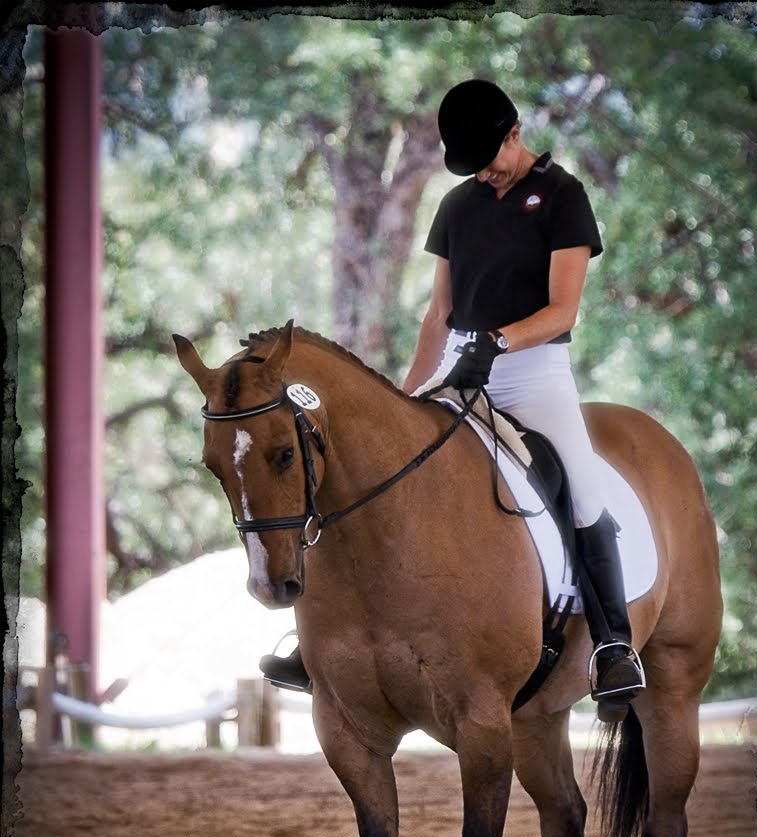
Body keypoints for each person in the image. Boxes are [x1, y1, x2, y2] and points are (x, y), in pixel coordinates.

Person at [261, 78, 644, 719]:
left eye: (491, 161)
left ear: (515, 134)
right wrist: (409, 393)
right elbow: (439, 312)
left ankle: (613, 646)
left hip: (533, 373)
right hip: (459, 362)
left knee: (582, 489)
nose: (487, 177)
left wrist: (499, 340)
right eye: (474, 168)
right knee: (372, 467)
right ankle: (323, 641)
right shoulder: (458, 207)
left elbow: (562, 309)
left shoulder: (563, 198)